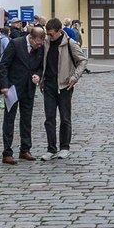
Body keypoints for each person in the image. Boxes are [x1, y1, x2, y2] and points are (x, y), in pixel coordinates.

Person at [2, 24, 44, 163]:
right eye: (37, 43)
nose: (39, 46)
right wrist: (4, 86)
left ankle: (25, 149)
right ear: (31, 38)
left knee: (26, 120)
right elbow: (4, 65)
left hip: (28, 88)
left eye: (41, 44)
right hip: (13, 88)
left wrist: (38, 75)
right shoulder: (15, 43)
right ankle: (7, 152)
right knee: (9, 120)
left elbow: (40, 66)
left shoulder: (40, 47)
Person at [42, 17, 82, 154]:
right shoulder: (46, 42)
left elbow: (83, 60)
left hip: (65, 86)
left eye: (51, 34)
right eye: (48, 34)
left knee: (65, 118)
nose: (49, 36)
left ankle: (64, 147)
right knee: (49, 119)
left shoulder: (70, 43)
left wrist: (75, 77)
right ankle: (51, 149)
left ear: (59, 31)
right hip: (49, 85)